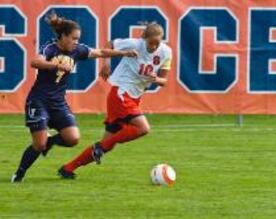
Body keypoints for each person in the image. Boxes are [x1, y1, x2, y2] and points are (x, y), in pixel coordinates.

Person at [11, 12, 137, 183]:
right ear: (62, 36)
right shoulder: (50, 48)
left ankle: (50, 141)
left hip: (58, 103)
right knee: (39, 145)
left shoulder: (78, 50)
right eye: (73, 38)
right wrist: (55, 64)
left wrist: (123, 53)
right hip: (38, 101)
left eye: (78, 39)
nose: (76, 42)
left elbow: (100, 51)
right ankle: (19, 174)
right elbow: (35, 62)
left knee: (73, 139)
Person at [58, 22, 172, 179]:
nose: (152, 47)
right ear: (144, 38)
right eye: (150, 43)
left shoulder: (166, 52)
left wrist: (156, 78)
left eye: (156, 43)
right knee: (143, 128)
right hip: (120, 93)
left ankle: (68, 168)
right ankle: (100, 146)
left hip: (134, 97)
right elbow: (109, 44)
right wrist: (106, 63)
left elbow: (164, 81)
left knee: (107, 144)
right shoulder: (134, 44)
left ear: (162, 40)